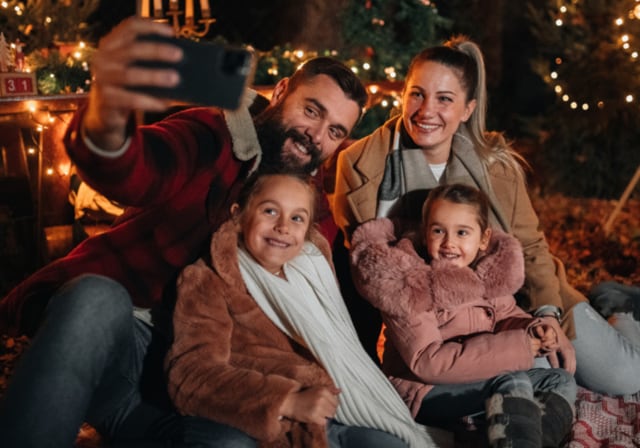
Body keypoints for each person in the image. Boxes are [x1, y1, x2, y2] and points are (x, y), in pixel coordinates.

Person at [0, 16, 368, 448]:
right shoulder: (214, 133)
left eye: (335, 131)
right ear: (282, 90)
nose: (315, 136)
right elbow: (136, 166)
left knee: (235, 441)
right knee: (96, 295)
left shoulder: (313, 212)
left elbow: (324, 316)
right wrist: (109, 108)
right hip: (127, 340)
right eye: (311, 110)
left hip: (198, 391)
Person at [329, 34, 640, 396]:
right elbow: (370, 267)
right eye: (417, 94)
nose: (426, 111)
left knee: (625, 378)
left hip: (518, 303)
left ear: (467, 109)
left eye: (445, 99)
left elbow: (531, 246)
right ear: (403, 94)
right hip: (439, 323)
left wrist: (547, 316)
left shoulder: (495, 164)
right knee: (536, 375)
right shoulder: (360, 165)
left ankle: (619, 307)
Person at [165, 168, 444, 448]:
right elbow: (190, 375)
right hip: (275, 423)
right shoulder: (208, 279)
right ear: (239, 215)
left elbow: (338, 347)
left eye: (297, 218)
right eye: (270, 212)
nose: (283, 227)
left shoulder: (313, 269)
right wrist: (286, 401)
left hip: (338, 408)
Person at [350, 184, 576, 447]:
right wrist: (521, 347)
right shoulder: (409, 284)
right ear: (425, 233)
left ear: (483, 238)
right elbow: (428, 362)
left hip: (481, 376)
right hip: (424, 392)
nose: (449, 243)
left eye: (462, 233)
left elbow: (505, 315)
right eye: (438, 231)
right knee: (512, 380)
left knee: (559, 380)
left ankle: (533, 442)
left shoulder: (484, 273)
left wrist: (532, 329)